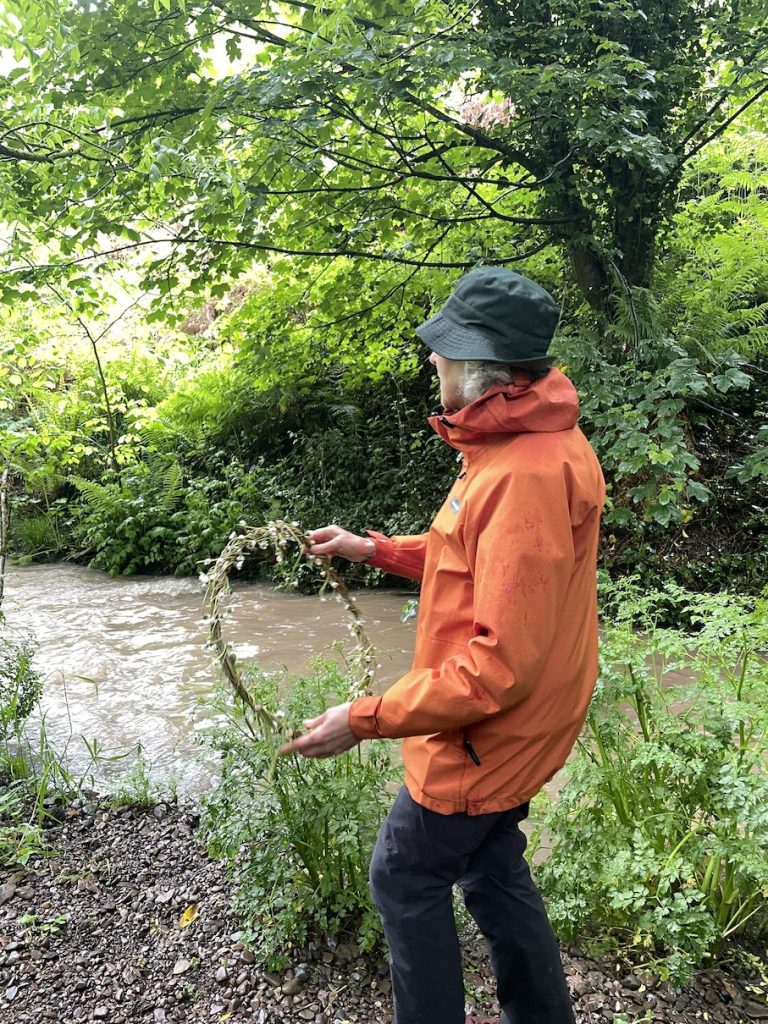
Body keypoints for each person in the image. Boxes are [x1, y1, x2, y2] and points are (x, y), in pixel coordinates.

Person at [281, 266, 605, 1024]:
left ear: (488, 371)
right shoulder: (516, 445)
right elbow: (477, 565)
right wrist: (375, 550)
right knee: (492, 869)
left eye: (446, 351)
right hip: (525, 726)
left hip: (488, 736)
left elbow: (495, 667)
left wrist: (361, 718)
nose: (434, 361)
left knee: (403, 876)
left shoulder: (524, 473)